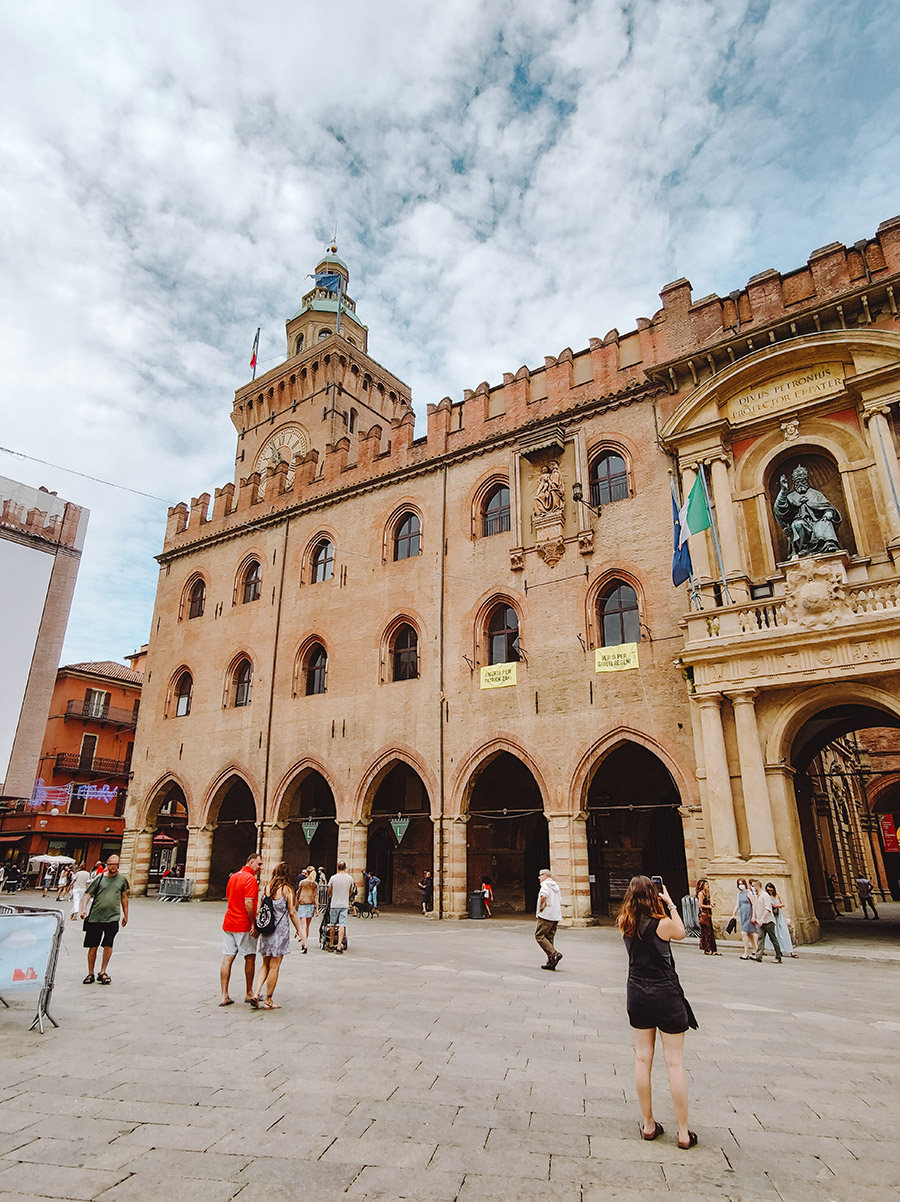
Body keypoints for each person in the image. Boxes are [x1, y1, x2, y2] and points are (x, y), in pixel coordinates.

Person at [618, 875, 698, 1149]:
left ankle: (649, 1124)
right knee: (674, 1063)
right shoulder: (663, 924)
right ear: (653, 895)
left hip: (637, 993)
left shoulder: (623, 923)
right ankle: (684, 1133)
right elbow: (683, 932)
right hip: (665, 994)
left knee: (642, 1059)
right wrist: (670, 904)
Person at [251, 861, 302, 1009]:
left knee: (265, 964)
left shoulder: (266, 889)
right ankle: (268, 1000)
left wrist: (255, 927)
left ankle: (256, 992)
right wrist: (299, 930)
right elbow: (292, 912)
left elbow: (259, 911)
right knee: (275, 967)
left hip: (266, 931)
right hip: (280, 932)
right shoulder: (287, 890)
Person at [219, 852, 262, 1006]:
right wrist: (253, 924)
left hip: (229, 923)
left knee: (227, 958)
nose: (260, 868)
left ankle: (224, 995)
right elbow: (249, 903)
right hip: (243, 924)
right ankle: (249, 992)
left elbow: (230, 898)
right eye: (259, 864)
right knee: (250, 957)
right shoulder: (250, 879)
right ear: (250, 862)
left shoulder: (233, 877)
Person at [80, 854, 129, 985]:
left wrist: (125, 914)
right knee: (93, 946)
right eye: (111, 864)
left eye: (116, 864)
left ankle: (102, 971)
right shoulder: (99, 878)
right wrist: (83, 909)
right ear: (107, 864)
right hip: (96, 917)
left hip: (113, 917)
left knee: (108, 944)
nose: (113, 866)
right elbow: (87, 894)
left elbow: (124, 897)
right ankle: (90, 973)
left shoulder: (122, 880)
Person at [535, 868, 562, 969]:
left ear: (545, 875)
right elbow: (559, 899)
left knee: (539, 936)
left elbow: (543, 895)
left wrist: (541, 905)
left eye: (540, 875)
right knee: (549, 938)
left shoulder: (545, 885)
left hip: (546, 915)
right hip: (555, 915)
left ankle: (554, 954)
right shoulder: (556, 886)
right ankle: (551, 962)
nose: (539, 877)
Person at [750, 879, 782, 963]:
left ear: (757, 886)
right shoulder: (756, 896)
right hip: (761, 922)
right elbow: (756, 908)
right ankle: (758, 956)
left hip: (768, 921)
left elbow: (768, 909)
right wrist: (754, 917)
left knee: (773, 939)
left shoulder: (765, 895)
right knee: (760, 938)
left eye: (753, 886)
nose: (751, 887)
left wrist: (762, 919)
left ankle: (778, 957)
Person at [326, 860, 354, 953]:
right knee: (342, 924)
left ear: (337, 867)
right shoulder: (349, 878)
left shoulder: (333, 878)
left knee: (332, 924)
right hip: (344, 904)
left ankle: (330, 944)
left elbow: (329, 890)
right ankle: (339, 946)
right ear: (345, 868)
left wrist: (333, 896)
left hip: (334, 904)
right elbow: (351, 891)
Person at [765, 883, 798, 957]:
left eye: (771, 890)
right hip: (772, 916)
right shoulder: (767, 896)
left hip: (779, 915)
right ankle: (778, 950)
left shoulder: (776, 895)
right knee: (774, 933)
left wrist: (776, 906)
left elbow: (783, 904)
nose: (770, 891)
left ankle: (789, 950)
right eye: (768, 890)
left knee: (783, 932)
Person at [731, 878, 757, 959]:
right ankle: (756, 950)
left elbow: (754, 904)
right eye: (739, 884)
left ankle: (746, 953)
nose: (740, 885)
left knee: (744, 933)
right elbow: (737, 904)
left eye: (742, 883)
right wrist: (733, 914)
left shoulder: (748, 893)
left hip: (749, 914)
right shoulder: (739, 894)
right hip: (743, 915)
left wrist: (753, 916)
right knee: (750, 934)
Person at [296, 866, 318, 952]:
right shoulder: (314, 884)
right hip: (311, 905)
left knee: (303, 926)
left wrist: (296, 905)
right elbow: (316, 896)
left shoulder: (302, 882)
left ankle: (305, 945)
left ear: (307, 873)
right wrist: (317, 908)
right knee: (307, 927)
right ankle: (304, 943)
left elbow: (298, 894)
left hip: (303, 905)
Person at [695, 879, 718, 955]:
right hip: (704, 915)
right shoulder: (701, 894)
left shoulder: (706, 893)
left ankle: (713, 949)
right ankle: (708, 949)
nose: (707, 886)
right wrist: (709, 906)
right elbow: (700, 905)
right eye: (706, 885)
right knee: (706, 932)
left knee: (710, 931)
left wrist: (711, 905)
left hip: (707, 914)